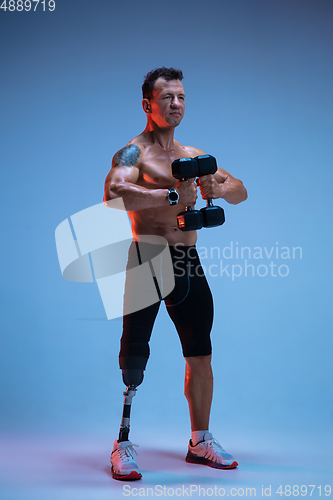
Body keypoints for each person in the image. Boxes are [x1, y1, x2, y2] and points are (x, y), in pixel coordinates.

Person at [103, 67, 247, 481]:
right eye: (167, 98)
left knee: (200, 353)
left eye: (181, 97)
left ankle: (199, 440)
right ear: (148, 104)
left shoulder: (192, 154)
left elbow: (240, 188)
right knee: (134, 355)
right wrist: (168, 194)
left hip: (188, 263)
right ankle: (122, 443)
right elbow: (113, 194)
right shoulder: (133, 152)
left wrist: (219, 189)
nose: (176, 104)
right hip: (148, 258)